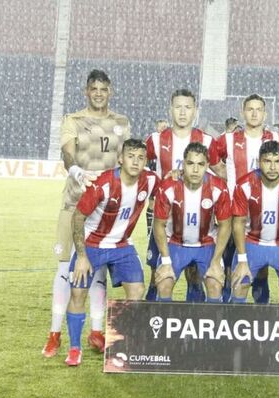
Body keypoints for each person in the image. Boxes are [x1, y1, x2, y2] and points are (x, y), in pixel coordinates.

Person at [43, 69, 131, 358]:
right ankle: (55, 334)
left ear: (111, 91)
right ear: (86, 91)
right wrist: (76, 169)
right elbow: (68, 153)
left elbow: (126, 162)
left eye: (103, 88)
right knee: (64, 271)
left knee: (98, 273)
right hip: (74, 204)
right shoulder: (74, 120)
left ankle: (96, 331)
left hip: (106, 211)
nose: (98, 93)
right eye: (93, 88)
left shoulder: (121, 123)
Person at [64, 139, 159, 366]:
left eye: (140, 158)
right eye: (131, 156)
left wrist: (176, 174)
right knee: (78, 293)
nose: (135, 161)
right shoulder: (103, 184)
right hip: (92, 244)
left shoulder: (151, 180)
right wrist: (82, 257)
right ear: (120, 158)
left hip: (122, 245)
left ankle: (119, 344)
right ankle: (75, 349)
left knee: (137, 290)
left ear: (146, 161)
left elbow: (170, 186)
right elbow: (77, 218)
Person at [144, 89, 222, 302]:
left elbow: (222, 172)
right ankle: (152, 318)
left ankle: (194, 322)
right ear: (170, 109)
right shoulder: (155, 139)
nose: (182, 112)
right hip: (162, 216)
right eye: (178, 107)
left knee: (195, 274)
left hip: (197, 214)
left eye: (187, 107)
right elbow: (138, 168)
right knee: (157, 273)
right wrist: (159, 185)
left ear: (195, 110)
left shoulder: (206, 141)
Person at [216, 94, 279, 304]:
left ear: (265, 114)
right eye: (250, 109)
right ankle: (228, 307)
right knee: (230, 263)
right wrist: (225, 177)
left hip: (263, 213)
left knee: (261, 268)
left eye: (259, 109)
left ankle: (262, 310)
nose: (254, 113)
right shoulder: (228, 139)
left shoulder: (276, 139)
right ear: (243, 112)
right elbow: (213, 159)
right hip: (235, 213)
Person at [231, 141, 279, 304]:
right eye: (267, 161)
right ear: (259, 162)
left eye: (277, 162)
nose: (273, 167)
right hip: (252, 243)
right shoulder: (244, 185)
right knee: (239, 286)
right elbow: (238, 223)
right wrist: (241, 259)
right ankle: (239, 323)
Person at [152, 143, 232, 302]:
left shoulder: (219, 187)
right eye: (190, 164)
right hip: (175, 243)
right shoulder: (168, 186)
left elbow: (225, 225)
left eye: (201, 164)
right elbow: (158, 225)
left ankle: (212, 324)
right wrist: (166, 262)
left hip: (206, 244)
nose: (195, 170)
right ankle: (164, 325)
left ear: (207, 166)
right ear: (182, 164)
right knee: (163, 283)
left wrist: (216, 261)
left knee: (215, 284)